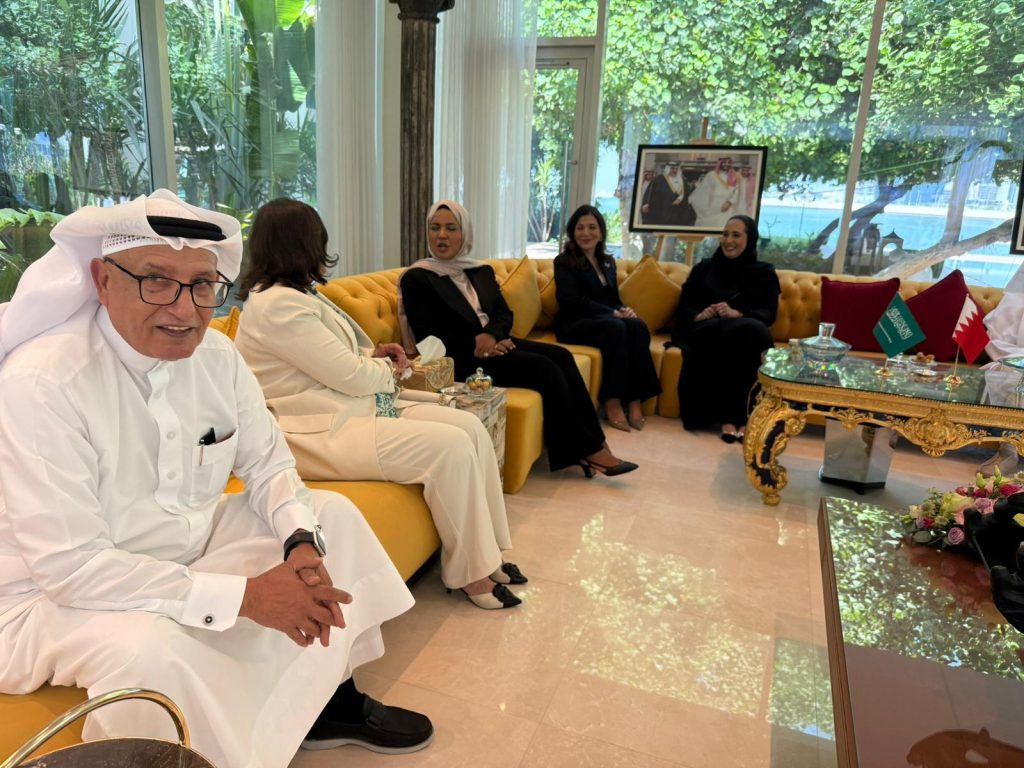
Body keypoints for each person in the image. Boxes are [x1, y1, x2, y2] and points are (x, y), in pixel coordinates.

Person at [0, 190, 433, 768]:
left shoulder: (217, 358)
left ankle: (328, 704)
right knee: (151, 652)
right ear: (103, 280)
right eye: (157, 281)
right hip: (48, 596)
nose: (185, 310)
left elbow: (268, 464)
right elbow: (70, 567)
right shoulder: (44, 382)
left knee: (330, 517)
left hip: (186, 544)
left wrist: (298, 542)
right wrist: (248, 597)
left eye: (202, 284)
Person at [233, 198, 526, 610]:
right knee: (451, 447)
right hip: (317, 431)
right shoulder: (277, 305)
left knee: (470, 427)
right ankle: (470, 575)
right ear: (305, 244)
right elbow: (350, 376)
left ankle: (489, 554)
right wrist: (390, 369)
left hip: (348, 406)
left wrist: (373, 355)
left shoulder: (293, 294)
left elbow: (333, 360)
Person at [397, 199, 637, 478]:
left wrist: (493, 335)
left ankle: (597, 442)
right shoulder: (418, 278)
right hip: (459, 357)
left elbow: (503, 313)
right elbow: (430, 334)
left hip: (495, 343)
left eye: (451, 228)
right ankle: (586, 450)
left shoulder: (479, 271)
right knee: (544, 368)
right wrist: (481, 343)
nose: (442, 235)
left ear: (465, 234)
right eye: (435, 227)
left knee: (561, 355)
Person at [670, 214, 780, 441]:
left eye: (736, 235)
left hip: (744, 332)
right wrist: (700, 315)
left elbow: (769, 313)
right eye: (725, 234)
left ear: (750, 239)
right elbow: (684, 308)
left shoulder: (764, 273)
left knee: (751, 333)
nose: (729, 241)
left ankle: (743, 416)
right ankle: (731, 418)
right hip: (705, 330)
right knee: (740, 333)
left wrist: (737, 314)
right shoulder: (704, 268)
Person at [553, 204, 661, 431]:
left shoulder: (608, 262)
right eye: (580, 228)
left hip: (604, 320)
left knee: (637, 326)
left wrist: (624, 310)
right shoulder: (563, 261)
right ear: (573, 232)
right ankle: (612, 399)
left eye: (592, 227)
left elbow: (613, 299)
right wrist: (612, 313)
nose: (586, 233)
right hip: (574, 322)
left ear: (601, 232)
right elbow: (572, 301)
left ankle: (634, 399)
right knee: (617, 329)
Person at [979, 262, 1024, 475]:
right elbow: (997, 339)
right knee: (1007, 374)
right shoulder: (1018, 299)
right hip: (1018, 361)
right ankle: (1008, 450)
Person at [690, 156, 740, 230]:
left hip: (727, 207)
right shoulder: (712, 174)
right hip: (713, 206)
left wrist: (729, 202)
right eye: (724, 162)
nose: (726, 164)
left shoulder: (735, 175)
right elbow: (703, 188)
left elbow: (736, 191)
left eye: (728, 162)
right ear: (720, 163)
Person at [640, 161, 695, 227]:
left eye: (676, 169)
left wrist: (680, 198)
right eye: (672, 168)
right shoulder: (659, 180)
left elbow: (687, 193)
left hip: (679, 212)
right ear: (668, 168)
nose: (674, 171)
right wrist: (646, 204)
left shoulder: (683, 180)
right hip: (663, 211)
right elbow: (650, 193)